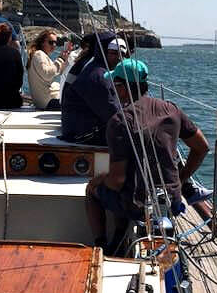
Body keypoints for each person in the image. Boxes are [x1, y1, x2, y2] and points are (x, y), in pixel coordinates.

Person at [85, 58, 210, 251]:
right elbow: (202, 147)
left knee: (94, 190)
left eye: (115, 85)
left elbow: (117, 180)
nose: (113, 90)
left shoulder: (120, 121)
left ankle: (101, 245)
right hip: (171, 199)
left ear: (123, 88)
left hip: (138, 205)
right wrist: (181, 179)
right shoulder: (171, 109)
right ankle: (120, 231)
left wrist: (99, 180)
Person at [61, 31, 120, 145]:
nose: (120, 57)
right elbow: (111, 112)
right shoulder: (98, 75)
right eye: (114, 52)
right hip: (82, 134)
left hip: (73, 129)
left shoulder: (93, 66)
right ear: (104, 50)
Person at [27, 29, 72, 110]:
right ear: (42, 42)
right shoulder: (39, 54)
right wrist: (61, 59)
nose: (54, 45)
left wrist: (64, 59)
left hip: (48, 100)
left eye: (55, 42)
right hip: (48, 102)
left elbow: (56, 72)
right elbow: (47, 74)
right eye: (51, 42)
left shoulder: (42, 56)